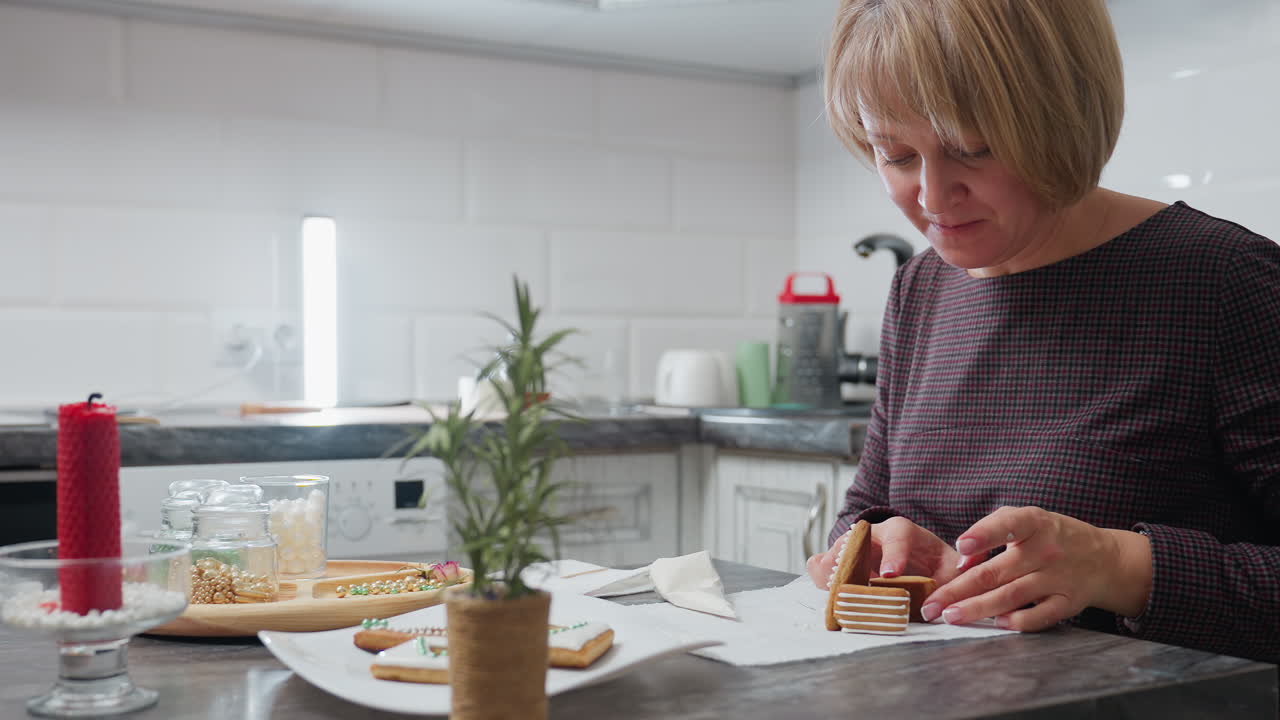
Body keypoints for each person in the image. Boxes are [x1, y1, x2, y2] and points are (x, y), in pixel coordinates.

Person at [805, 0, 1280, 663]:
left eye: (973, 149)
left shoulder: (1222, 280)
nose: (935, 197)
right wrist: (876, 546)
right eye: (897, 154)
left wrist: (1121, 566)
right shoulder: (919, 289)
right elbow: (866, 506)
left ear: (1059, 119)